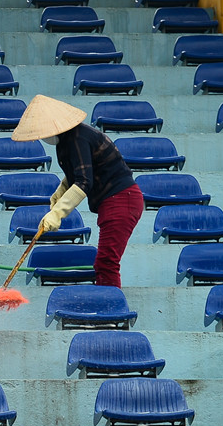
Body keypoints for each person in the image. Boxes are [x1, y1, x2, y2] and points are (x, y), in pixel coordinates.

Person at [11, 94, 144, 288]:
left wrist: (58, 213)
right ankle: (107, 312)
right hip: (114, 201)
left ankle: (110, 314)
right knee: (104, 263)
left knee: (106, 263)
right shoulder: (67, 140)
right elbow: (80, 170)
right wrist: (61, 191)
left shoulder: (77, 137)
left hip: (121, 199)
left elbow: (83, 182)